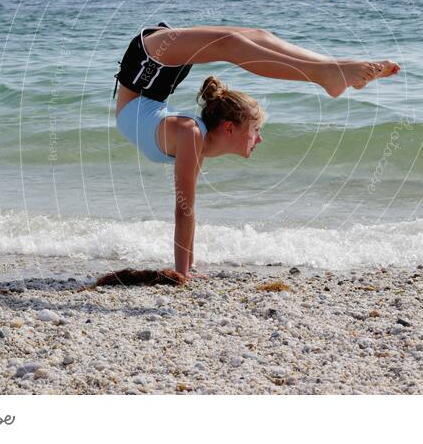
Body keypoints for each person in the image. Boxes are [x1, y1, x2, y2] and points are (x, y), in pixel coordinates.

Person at [114, 22, 400, 279]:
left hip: (149, 76)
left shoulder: (193, 136)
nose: (260, 139)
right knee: (231, 42)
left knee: (257, 36)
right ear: (229, 127)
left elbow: (186, 208)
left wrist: (187, 268)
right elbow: (184, 209)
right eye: (255, 130)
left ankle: (334, 68)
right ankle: (328, 73)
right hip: (147, 68)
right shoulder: (190, 134)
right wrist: (182, 274)